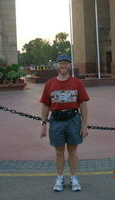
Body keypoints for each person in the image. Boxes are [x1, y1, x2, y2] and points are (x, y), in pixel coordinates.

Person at [40, 54, 90, 192]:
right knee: (59, 151)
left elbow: (83, 104)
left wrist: (84, 124)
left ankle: (74, 178)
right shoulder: (50, 83)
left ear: (70, 66)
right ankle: (60, 177)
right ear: (56, 65)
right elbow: (45, 105)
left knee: (73, 150)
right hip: (56, 121)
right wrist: (43, 124)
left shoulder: (77, 83)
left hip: (73, 120)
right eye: (61, 63)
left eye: (66, 63)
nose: (63, 66)